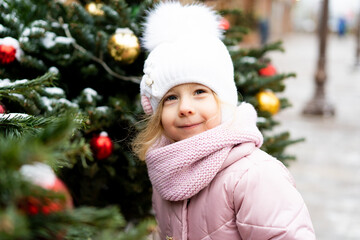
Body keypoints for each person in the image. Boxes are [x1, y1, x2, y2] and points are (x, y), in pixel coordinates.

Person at [132, 2, 316, 239]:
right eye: (171, 98)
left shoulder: (253, 175)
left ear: (224, 101)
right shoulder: (166, 170)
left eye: (200, 92)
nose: (185, 108)